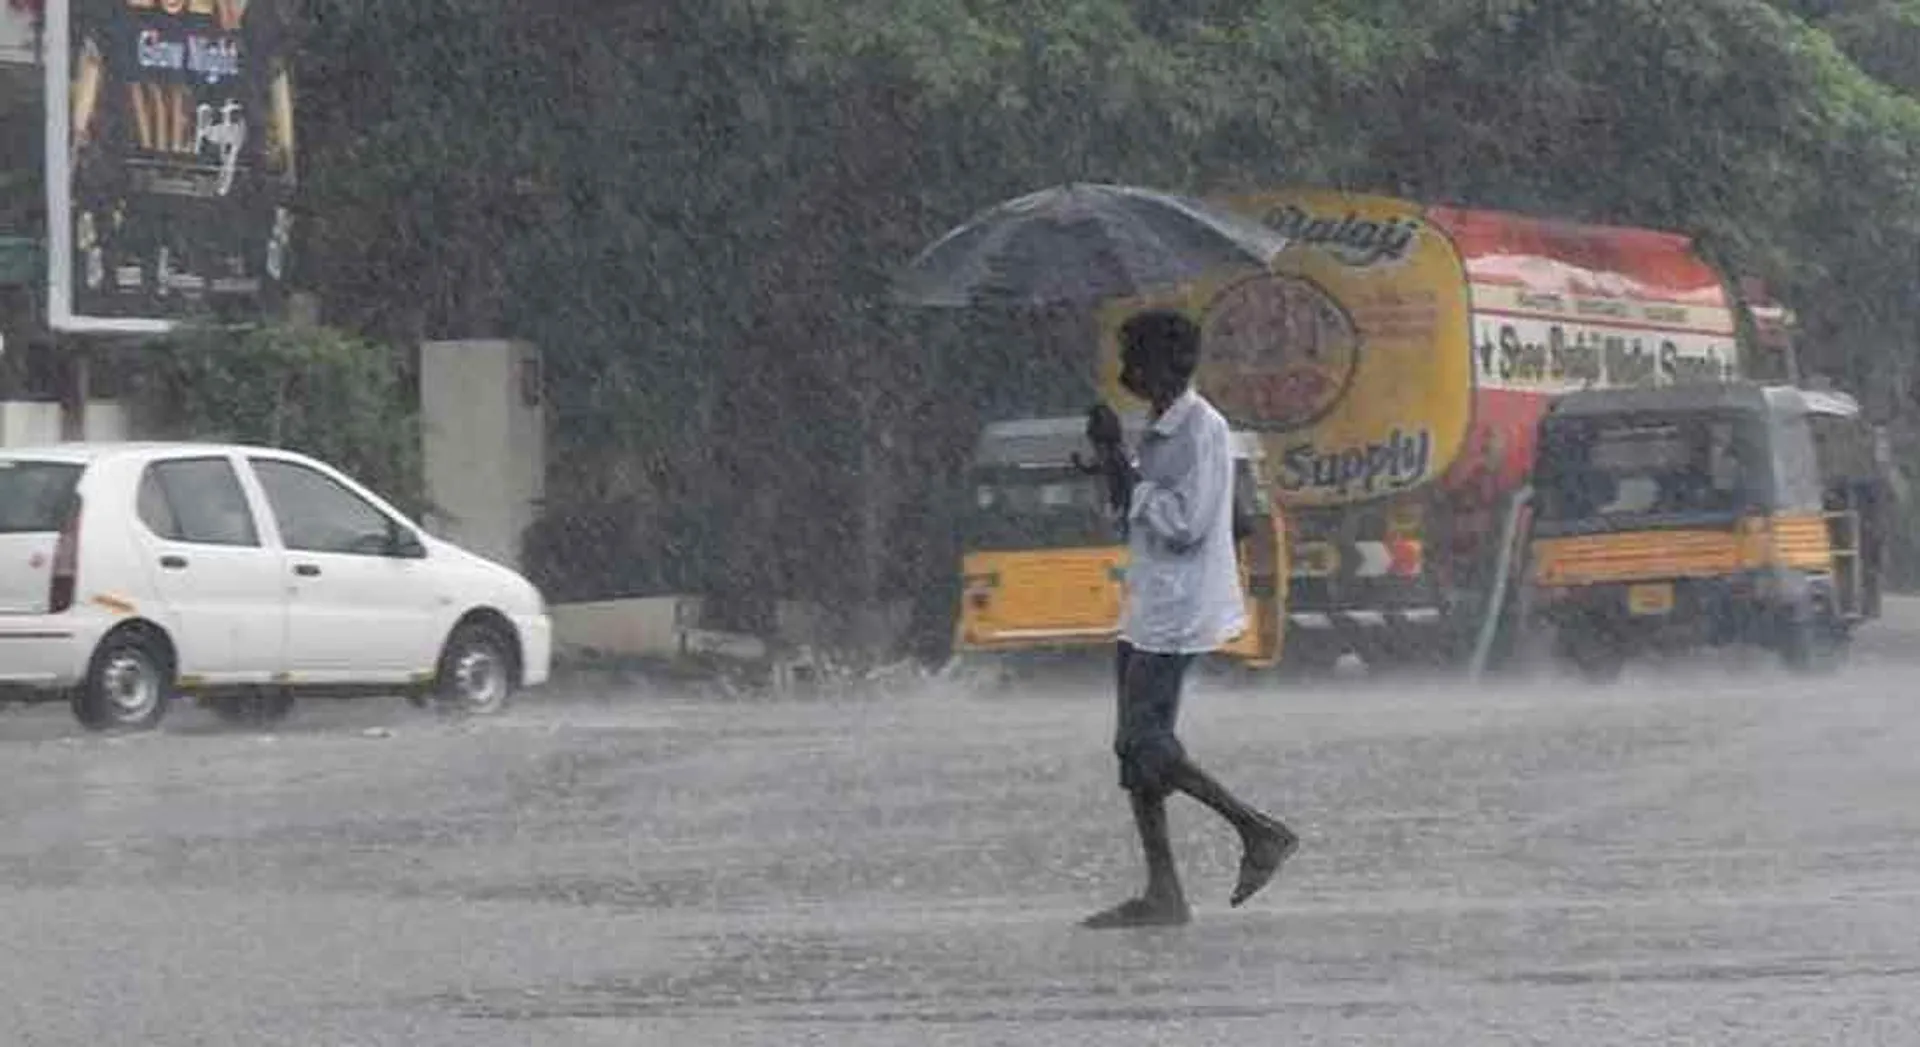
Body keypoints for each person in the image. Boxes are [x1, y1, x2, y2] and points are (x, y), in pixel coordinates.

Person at [1079, 309, 1299, 929]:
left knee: (1143, 741)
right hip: (1148, 600)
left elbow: (1188, 523)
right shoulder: (1156, 427)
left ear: (1167, 364)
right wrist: (1110, 457)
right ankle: (1163, 891)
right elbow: (1131, 513)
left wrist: (1132, 479)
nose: (1126, 371)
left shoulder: (1203, 429)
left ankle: (1258, 831)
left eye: (1135, 359)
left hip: (1180, 607)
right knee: (1132, 755)